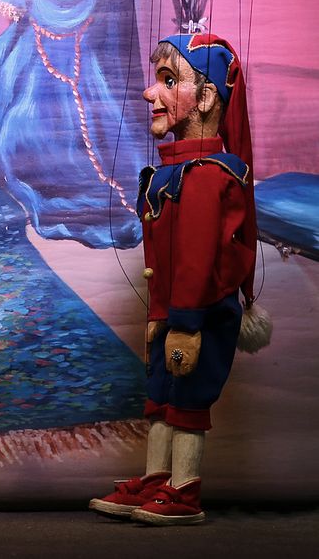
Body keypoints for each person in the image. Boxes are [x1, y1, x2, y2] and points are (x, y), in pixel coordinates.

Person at [89, 33, 269, 526]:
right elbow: (163, 261)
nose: (150, 92)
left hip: (199, 316)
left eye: (169, 81)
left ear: (206, 97)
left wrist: (186, 325)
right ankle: (157, 478)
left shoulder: (208, 175)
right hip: (174, 314)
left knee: (187, 398)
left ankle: (184, 488)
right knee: (161, 396)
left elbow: (197, 259)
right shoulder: (176, 172)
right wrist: (159, 315)